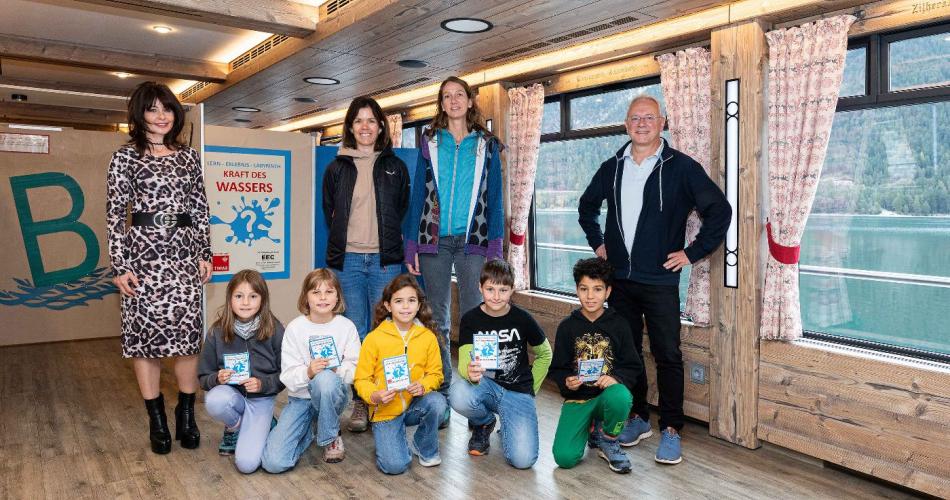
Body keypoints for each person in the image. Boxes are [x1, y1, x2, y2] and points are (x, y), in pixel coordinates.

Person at [577, 95, 731, 464]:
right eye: (634, 118)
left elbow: (719, 211)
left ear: (662, 123)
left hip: (661, 281)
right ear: (626, 125)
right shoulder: (613, 166)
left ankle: (672, 429)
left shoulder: (681, 167)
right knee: (628, 354)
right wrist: (599, 243)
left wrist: (691, 254)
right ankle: (638, 418)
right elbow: (586, 207)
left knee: (668, 355)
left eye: (649, 118)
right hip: (621, 280)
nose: (641, 124)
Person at [106, 81, 212, 454]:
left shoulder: (188, 158)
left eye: (166, 108)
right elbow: (116, 215)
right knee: (144, 341)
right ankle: (156, 418)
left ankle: (187, 414)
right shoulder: (125, 158)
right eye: (152, 109)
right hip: (142, 259)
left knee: (187, 339)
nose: (162, 115)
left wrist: (205, 253)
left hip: (183, 257)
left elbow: (199, 209)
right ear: (140, 114)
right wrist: (120, 265)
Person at [404, 76, 505, 426]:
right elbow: (418, 193)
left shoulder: (487, 144)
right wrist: (411, 243)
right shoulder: (429, 141)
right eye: (446, 97)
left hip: (472, 241)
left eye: (459, 94)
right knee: (438, 321)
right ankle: (444, 391)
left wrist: (495, 246)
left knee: (478, 319)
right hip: (433, 241)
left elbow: (495, 197)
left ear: (470, 100)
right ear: (442, 104)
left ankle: (482, 394)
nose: (453, 101)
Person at [323, 96, 410, 433]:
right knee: (357, 333)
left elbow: (401, 209)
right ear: (350, 127)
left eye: (371, 120)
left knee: (385, 333)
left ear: (380, 127)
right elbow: (329, 211)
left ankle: (387, 400)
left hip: (385, 262)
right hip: (347, 262)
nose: (364, 127)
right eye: (358, 121)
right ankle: (362, 399)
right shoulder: (336, 167)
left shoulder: (395, 166)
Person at [449, 260, 552, 468]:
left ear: (512, 289)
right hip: (486, 387)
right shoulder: (471, 319)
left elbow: (545, 354)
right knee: (457, 394)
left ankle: (510, 421)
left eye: (503, 290)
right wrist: (470, 372)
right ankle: (484, 422)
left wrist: (532, 387)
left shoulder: (522, 318)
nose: (496, 296)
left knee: (523, 461)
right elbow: (464, 361)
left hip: (518, 391)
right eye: (490, 289)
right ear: (480, 287)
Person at [261, 269, 360, 471]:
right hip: (301, 400)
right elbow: (287, 376)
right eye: (316, 292)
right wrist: (308, 372)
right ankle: (311, 429)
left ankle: (331, 436)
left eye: (329, 292)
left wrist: (336, 371)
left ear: (338, 296)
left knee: (325, 380)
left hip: (334, 396)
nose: (323, 297)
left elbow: (356, 370)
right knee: (274, 463)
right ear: (306, 296)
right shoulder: (295, 328)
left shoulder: (347, 327)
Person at [550, 258, 642, 474]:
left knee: (620, 396)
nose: (590, 296)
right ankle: (590, 427)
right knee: (564, 458)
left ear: (608, 292)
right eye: (584, 289)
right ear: (577, 290)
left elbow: (632, 365)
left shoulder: (619, 324)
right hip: (578, 398)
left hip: (605, 396)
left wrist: (616, 378)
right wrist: (567, 382)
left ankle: (608, 439)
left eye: (597, 289)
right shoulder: (567, 327)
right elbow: (558, 368)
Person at [354, 274, 447, 474]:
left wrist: (423, 385)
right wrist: (374, 395)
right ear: (388, 306)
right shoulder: (374, 338)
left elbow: (436, 374)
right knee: (395, 466)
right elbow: (361, 379)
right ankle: (394, 440)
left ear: (419, 305)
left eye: (411, 301)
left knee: (438, 402)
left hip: (415, 403)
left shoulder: (428, 337)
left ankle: (424, 446)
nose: (405, 307)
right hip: (385, 408)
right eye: (399, 301)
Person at [198, 269, 285, 473]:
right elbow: (203, 377)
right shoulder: (216, 332)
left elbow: (285, 375)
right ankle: (235, 426)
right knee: (215, 400)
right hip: (231, 395)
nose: (245, 302)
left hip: (261, 399)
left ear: (262, 300)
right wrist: (216, 378)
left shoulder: (275, 329)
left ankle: (264, 422)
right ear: (230, 300)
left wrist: (263, 384)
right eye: (239, 296)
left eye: (253, 296)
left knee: (246, 465)